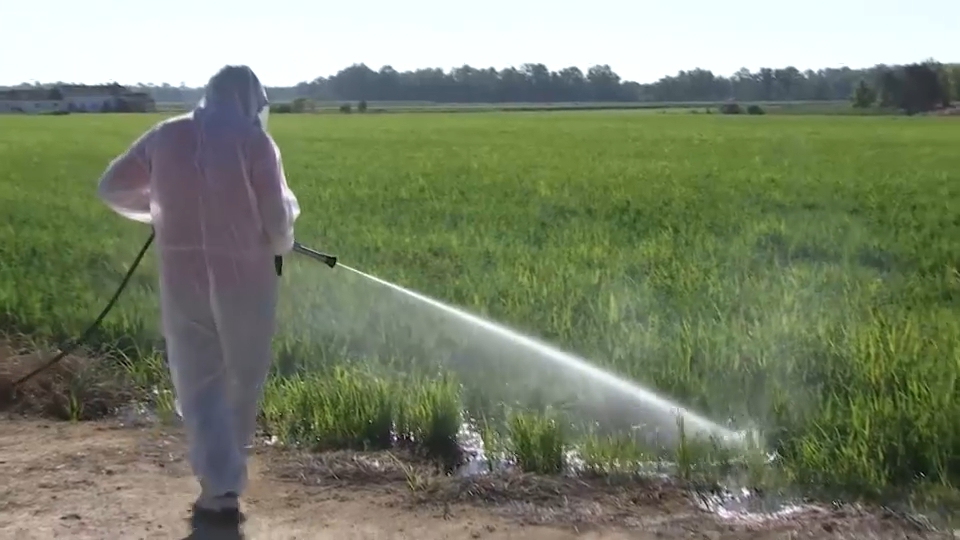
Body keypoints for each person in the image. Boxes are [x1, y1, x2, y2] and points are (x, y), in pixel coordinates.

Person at [95, 65, 300, 523]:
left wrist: (163, 209)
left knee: (198, 379)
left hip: (182, 278)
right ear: (249, 100)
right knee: (241, 379)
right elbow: (278, 220)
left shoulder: (165, 136)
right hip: (245, 281)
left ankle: (215, 489)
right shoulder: (254, 142)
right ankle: (227, 486)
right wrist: (281, 238)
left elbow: (111, 187)